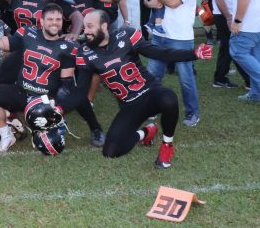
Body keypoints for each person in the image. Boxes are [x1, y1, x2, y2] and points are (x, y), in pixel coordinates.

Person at [76, 10, 212, 168]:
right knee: (111, 151)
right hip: (129, 105)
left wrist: (194, 53)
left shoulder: (125, 35)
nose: (86, 31)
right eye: (85, 27)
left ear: (104, 26)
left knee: (169, 99)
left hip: (150, 93)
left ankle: (167, 146)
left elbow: (159, 53)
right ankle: (147, 132)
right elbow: (79, 91)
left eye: (90, 26)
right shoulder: (85, 53)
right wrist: (58, 106)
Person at [0, 4, 100, 152]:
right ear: (41, 21)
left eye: (58, 19)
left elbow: (66, 83)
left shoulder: (68, 46)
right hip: (22, 91)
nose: (54, 23)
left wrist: (55, 107)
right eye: (50, 19)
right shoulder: (28, 33)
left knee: (48, 142)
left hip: (46, 97)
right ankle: (6, 136)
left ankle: (89, 128)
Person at [144, 0, 202, 127]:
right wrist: (149, 0)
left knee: (186, 78)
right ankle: (151, 109)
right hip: (160, 36)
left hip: (180, 38)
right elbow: (148, 0)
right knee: (153, 75)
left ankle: (193, 113)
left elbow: (173, 3)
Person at [230, 0, 260, 103]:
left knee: (238, 52)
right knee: (256, 57)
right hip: (257, 22)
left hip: (248, 23)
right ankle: (256, 94)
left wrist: (238, 21)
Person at [210, 0, 245, 89]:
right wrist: (229, 18)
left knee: (230, 46)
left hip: (231, 15)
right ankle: (221, 78)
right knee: (230, 46)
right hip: (224, 16)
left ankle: (221, 77)